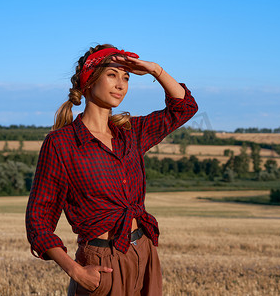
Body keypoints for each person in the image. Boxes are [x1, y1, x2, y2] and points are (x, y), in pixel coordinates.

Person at [25, 44, 198, 295]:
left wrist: (155, 70)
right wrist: (76, 271)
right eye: (112, 75)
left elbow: (184, 108)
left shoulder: (131, 133)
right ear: (89, 80)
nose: (121, 85)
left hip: (144, 253)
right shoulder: (62, 144)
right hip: (101, 263)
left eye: (126, 77)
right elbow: (38, 222)